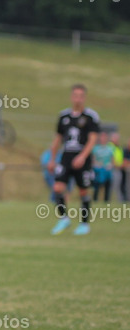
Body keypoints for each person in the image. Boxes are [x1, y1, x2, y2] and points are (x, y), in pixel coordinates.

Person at [47, 84, 99, 235]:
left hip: (83, 157)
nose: (78, 99)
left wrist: (82, 156)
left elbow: (92, 139)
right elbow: (57, 139)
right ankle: (63, 218)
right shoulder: (63, 116)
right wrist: (52, 159)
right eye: (75, 95)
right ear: (71, 97)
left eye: (81, 96)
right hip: (66, 156)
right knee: (57, 187)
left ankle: (84, 224)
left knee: (83, 191)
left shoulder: (91, 117)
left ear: (84, 98)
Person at [90, 131, 114, 202]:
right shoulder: (96, 148)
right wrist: (97, 164)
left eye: (104, 137)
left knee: (107, 186)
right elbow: (93, 160)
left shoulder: (110, 148)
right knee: (96, 186)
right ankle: (95, 200)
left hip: (107, 170)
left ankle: (106, 201)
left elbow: (112, 160)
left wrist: (110, 165)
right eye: (102, 137)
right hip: (98, 170)